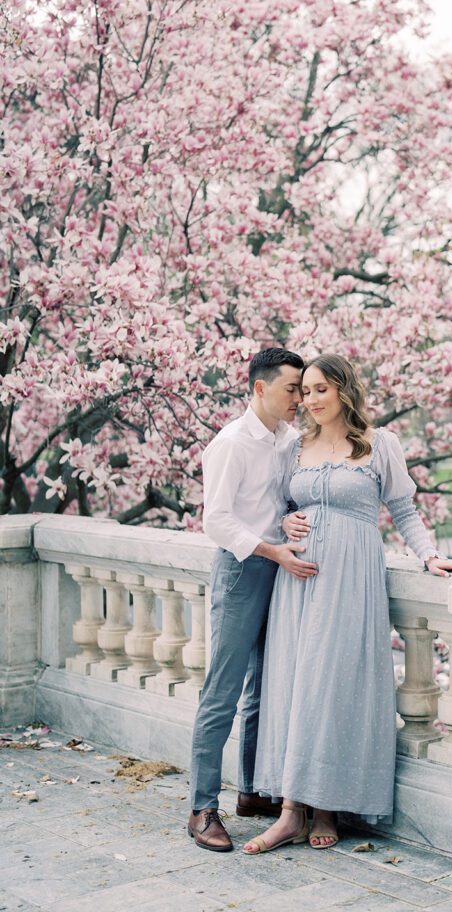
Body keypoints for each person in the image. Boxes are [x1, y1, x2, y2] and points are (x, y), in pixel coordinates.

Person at [243, 353, 452, 854]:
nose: (309, 400)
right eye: (304, 391)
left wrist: (431, 556)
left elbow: (404, 508)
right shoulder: (294, 447)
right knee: (296, 684)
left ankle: (326, 806)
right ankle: (290, 812)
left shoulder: (378, 444)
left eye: (320, 389)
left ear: (344, 389)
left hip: (350, 581)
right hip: (298, 582)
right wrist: (286, 525)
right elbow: (280, 507)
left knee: (334, 684)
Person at [187, 347, 319, 853]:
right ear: (260, 388)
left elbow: (286, 500)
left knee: (265, 685)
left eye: (303, 390)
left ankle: (253, 791)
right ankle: (202, 808)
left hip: (283, 569)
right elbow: (216, 521)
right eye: (292, 389)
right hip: (243, 570)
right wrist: (273, 550)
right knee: (222, 692)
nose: (300, 400)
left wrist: (288, 527)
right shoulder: (231, 444)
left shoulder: (290, 440)